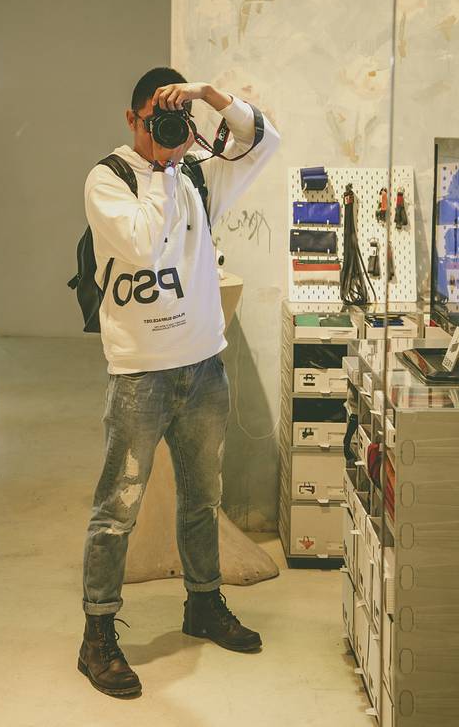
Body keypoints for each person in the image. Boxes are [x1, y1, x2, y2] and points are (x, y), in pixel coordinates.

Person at [77, 67, 281, 698]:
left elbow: (264, 140)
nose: (163, 133)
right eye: (154, 121)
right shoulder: (108, 179)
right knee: (117, 509)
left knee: (202, 500)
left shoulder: (198, 175)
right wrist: (165, 166)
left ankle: (204, 604)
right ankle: (97, 636)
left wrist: (206, 96)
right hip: (140, 373)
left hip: (203, 367)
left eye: (174, 121)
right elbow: (144, 243)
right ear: (132, 118)